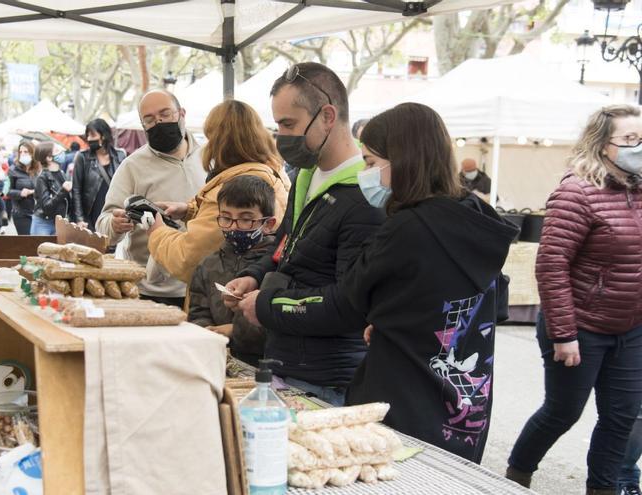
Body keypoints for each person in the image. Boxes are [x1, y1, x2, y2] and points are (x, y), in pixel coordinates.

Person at [339, 102, 517, 462]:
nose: (366, 174)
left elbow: (352, 296)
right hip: (465, 415)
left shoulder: (407, 227)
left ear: (403, 159)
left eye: (371, 162)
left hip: (403, 407)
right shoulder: (477, 217)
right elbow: (494, 305)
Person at [224, 62, 385, 406]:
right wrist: (254, 276)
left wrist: (266, 307)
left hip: (328, 378)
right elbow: (285, 247)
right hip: (289, 364)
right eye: (278, 125)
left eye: (289, 124)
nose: (281, 136)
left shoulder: (366, 195)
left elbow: (348, 303)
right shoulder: (304, 176)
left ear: (327, 116)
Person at [507, 105, 642, 495]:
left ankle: (602, 489)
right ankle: (516, 476)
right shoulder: (576, 191)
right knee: (562, 412)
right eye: (629, 139)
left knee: (621, 417)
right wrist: (564, 334)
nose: (638, 146)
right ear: (601, 144)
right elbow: (552, 265)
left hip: (630, 327)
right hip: (580, 325)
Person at [147, 99, 290, 284]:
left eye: (210, 138)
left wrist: (157, 232)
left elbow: (189, 259)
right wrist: (189, 210)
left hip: (222, 295)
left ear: (219, 142)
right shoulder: (275, 174)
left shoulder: (235, 190)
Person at [95, 90, 206, 307]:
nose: (159, 123)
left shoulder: (209, 157)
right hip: (150, 290)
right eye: (150, 119)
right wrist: (115, 225)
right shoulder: (132, 166)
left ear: (182, 113)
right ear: (143, 125)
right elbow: (103, 225)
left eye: (165, 114)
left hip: (203, 287)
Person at [189, 176, 278, 365]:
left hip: (267, 365)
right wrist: (206, 331)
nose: (234, 226)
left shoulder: (276, 265)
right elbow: (198, 313)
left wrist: (233, 331)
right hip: (217, 359)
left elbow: (278, 322)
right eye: (226, 218)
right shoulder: (208, 264)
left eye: (246, 219)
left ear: (268, 224)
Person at [72, 119, 127, 231]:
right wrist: (79, 219)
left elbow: (126, 184)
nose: (89, 139)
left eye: (92, 135)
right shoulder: (82, 157)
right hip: (91, 211)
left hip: (114, 209)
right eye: (87, 135)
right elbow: (76, 190)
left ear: (104, 136)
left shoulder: (119, 155)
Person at [31, 141, 72, 236]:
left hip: (60, 222)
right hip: (44, 223)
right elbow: (46, 206)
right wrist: (63, 191)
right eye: (57, 151)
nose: (62, 152)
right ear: (49, 158)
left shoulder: (61, 173)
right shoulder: (42, 178)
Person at [7, 140, 41, 235]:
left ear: (32, 153)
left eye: (26, 152)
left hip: (38, 213)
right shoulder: (13, 170)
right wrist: (20, 193)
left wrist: (32, 192)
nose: (22, 154)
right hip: (21, 212)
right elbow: (7, 191)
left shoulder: (39, 170)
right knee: (27, 240)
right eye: (20, 152)